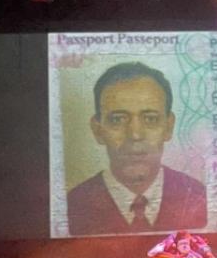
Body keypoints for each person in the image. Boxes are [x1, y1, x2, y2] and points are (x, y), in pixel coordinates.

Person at [67, 62, 207, 236]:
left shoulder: (198, 195)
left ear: (168, 127)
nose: (135, 135)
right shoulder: (73, 205)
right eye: (117, 120)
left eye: (150, 119)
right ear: (98, 130)